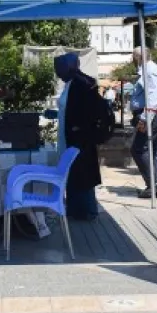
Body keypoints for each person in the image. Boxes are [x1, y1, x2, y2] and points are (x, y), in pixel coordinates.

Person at [54, 53, 105, 220]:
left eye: (59, 70)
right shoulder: (71, 83)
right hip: (70, 136)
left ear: (69, 67)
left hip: (80, 139)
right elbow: (69, 109)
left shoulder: (82, 83)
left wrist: (81, 127)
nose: (58, 74)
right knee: (74, 173)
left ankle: (89, 211)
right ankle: (76, 210)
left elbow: (89, 110)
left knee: (82, 174)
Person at [130, 47, 157, 199]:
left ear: (138, 58)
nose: (132, 61)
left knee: (138, 149)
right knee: (155, 151)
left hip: (153, 114)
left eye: (133, 57)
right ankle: (156, 185)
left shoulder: (149, 70)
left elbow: (152, 96)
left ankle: (153, 184)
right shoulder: (154, 69)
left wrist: (145, 119)